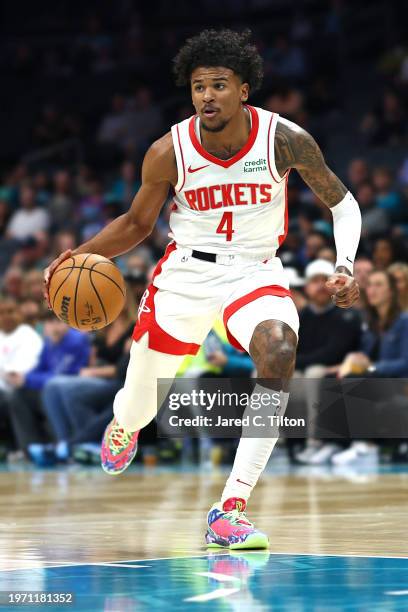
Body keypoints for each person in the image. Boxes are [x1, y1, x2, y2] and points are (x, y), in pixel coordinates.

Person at [45, 29, 360, 550]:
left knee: (279, 348)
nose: (207, 96)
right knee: (141, 405)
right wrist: (81, 256)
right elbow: (138, 223)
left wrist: (345, 264)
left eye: (218, 85)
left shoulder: (285, 139)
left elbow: (342, 204)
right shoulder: (168, 151)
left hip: (255, 271)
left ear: (243, 90)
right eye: (198, 86)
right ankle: (124, 424)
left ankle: (231, 507)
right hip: (185, 275)